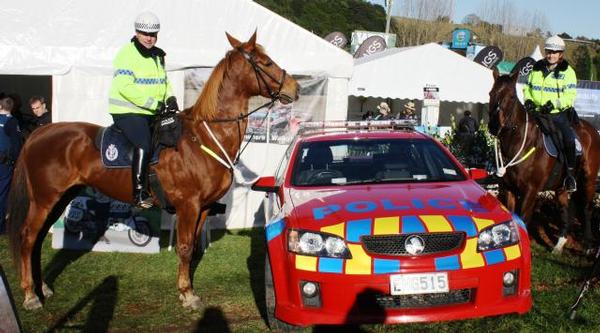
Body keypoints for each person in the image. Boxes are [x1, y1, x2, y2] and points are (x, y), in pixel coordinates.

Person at [108, 11, 179, 208]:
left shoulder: (158, 55)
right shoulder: (126, 54)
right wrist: (153, 104)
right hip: (127, 111)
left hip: (151, 111)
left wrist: (170, 97)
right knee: (145, 144)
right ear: (136, 33)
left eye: (153, 34)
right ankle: (139, 193)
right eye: (145, 34)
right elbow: (124, 87)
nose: (149, 38)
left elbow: (163, 82)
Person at [523, 35, 578, 192]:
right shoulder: (537, 68)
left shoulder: (568, 72)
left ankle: (570, 176)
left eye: (555, 52)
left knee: (568, 138)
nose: (551, 55)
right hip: (535, 112)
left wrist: (553, 104)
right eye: (549, 51)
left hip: (556, 114)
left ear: (560, 54)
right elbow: (528, 87)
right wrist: (528, 100)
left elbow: (569, 96)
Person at [0, 96, 22, 233]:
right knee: (3, 193)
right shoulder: (11, 121)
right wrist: (17, 162)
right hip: (4, 163)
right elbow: (16, 144)